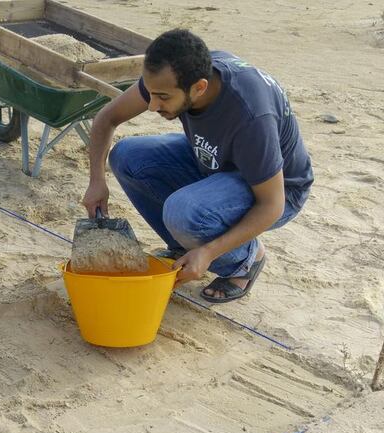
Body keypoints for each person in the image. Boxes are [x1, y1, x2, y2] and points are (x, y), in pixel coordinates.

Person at [83, 28, 313, 303]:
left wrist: (208, 252)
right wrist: (96, 181)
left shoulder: (252, 116)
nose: (153, 105)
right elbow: (107, 118)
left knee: (185, 212)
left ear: (199, 87)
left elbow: (272, 205)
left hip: (278, 189)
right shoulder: (175, 73)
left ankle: (245, 261)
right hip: (218, 159)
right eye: (151, 93)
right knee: (126, 156)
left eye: (164, 98)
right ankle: (183, 247)